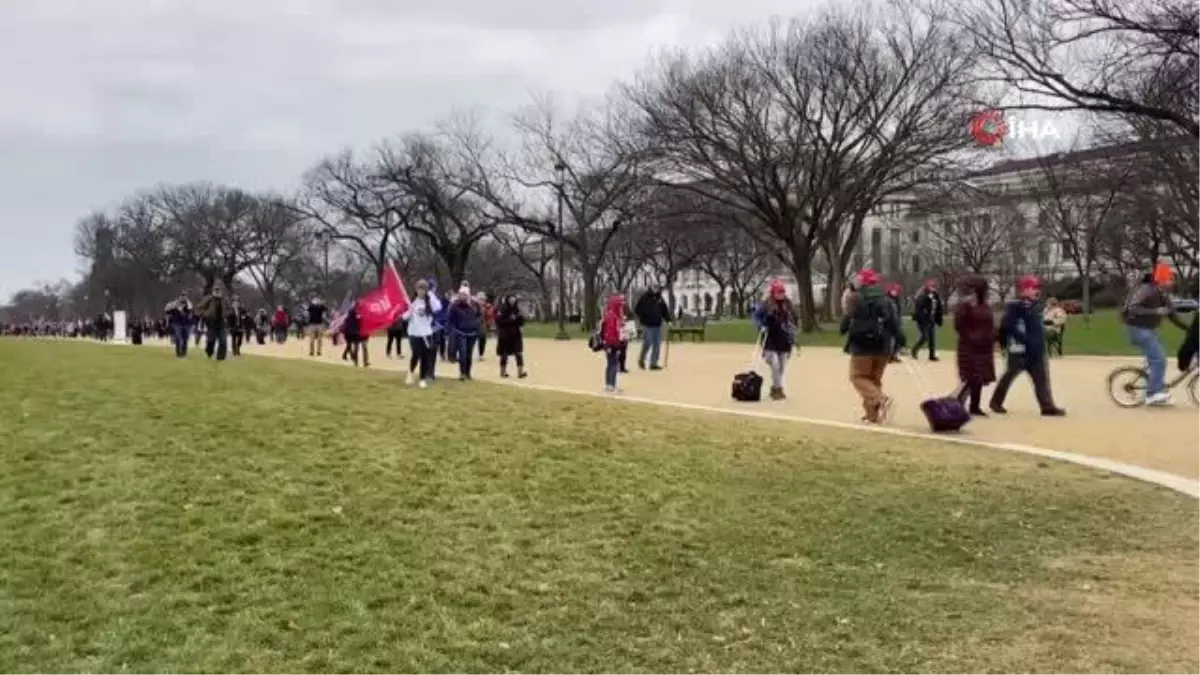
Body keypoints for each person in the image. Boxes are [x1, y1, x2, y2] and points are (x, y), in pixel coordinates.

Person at [990, 276, 1066, 416]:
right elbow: (1008, 326)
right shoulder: (1015, 306)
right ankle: (995, 402)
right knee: (1009, 375)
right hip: (1020, 350)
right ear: (1025, 290)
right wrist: (1025, 340)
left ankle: (1047, 406)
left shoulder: (1035, 306)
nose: (1037, 291)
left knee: (1041, 379)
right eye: (1033, 288)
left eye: (1037, 288)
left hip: (1036, 350)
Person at [840, 269, 902, 423]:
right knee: (874, 380)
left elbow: (846, 319)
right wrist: (899, 342)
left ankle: (880, 399)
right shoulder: (887, 299)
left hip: (862, 345)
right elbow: (894, 323)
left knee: (858, 376)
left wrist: (844, 327)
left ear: (863, 282)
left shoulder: (855, 298)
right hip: (883, 346)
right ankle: (873, 415)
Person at [1122, 263, 1189, 405]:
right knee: (1159, 360)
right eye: (1170, 279)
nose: (1172, 282)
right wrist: (1155, 311)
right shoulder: (1147, 290)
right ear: (1161, 280)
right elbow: (1132, 308)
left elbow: (1172, 315)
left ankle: (1157, 389)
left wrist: (1189, 329)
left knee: (1157, 359)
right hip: (1137, 329)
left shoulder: (1163, 294)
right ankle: (1152, 394)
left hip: (1148, 330)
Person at [953, 275, 996, 416]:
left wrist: (994, 336)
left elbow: (989, 324)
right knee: (971, 378)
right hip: (969, 347)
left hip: (985, 347)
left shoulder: (985, 305)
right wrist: (972, 337)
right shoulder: (965, 306)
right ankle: (956, 406)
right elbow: (959, 326)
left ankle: (974, 407)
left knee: (980, 378)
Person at [758, 279, 798, 400]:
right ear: (773, 292)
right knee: (774, 365)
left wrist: (793, 329)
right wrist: (761, 326)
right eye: (778, 292)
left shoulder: (788, 304)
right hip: (770, 340)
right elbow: (757, 317)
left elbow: (795, 319)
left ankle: (775, 387)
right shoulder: (766, 305)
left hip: (784, 340)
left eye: (782, 291)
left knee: (781, 368)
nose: (781, 294)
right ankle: (778, 390)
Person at [402, 280, 442, 388]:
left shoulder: (430, 302)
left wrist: (431, 296)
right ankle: (410, 372)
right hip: (414, 333)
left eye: (423, 289)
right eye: (419, 288)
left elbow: (438, 308)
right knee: (416, 354)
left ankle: (422, 378)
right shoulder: (412, 302)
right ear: (416, 290)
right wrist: (410, 312)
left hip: (426, 332)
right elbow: (404, 317)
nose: (421, 291)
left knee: (425, 356)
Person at [447, 286, 483, 381]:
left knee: (469, 354)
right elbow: (450, 319)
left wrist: (477, 326)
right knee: (462, 353)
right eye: (461, 294)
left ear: (468, 295)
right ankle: (462, 373)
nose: (463, 296)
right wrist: (451, 330)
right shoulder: (455, 305)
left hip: (472, 333)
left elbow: (480, 316)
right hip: (460, 332)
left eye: (465, 294)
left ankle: (468, 373)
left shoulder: (475, 304)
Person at [634, 286, 671, 370]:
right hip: (648, 325)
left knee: (657, 344)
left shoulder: (659, 298)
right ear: (651, 288)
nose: (656, 289)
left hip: (657, 324)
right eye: (654, 287)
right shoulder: (645, 297)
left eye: (657, 287)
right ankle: (641, 359)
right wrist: (643, 318)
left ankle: (653, 363)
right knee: (648, 343)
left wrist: (668, 319)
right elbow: (637, 309)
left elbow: (664, 309)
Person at [495, 295, 528, 378]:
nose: (512, 300)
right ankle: (502, 372)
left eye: (514, 299)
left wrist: (521, 318)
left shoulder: (517, 310)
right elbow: (499, 321)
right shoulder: (502, 309)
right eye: (511, 299)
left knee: (519, 352)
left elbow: (521, 323)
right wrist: (511, 320)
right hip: (505, 334)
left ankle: (520, 372)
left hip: (516, 334)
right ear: (508, 300)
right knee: (504, 354)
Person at [911, 279, 944, 361]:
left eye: (934, 286)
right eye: (931, 286)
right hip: (923, 320)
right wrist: (927, 298)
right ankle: (914, 350)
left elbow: (939, 307)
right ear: (927, 287)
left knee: (932, 338)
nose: (933, 288)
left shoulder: (935, 295)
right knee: (925, 337)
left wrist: (939, 319)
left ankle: (931, 355)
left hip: (931, 319)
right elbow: (919, 306)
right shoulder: (922, 295)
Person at [601, 294, 627, 393]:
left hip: (609, 343)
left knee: (610, 364)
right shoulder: (613, 316)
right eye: (620, 305)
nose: (621, 308)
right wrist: (617, 344)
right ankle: (612, 385)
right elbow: (612, 332)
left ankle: (608, 385)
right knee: (613, 364)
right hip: (612, 344)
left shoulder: (609, 314)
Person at [195, 285, 228, 361]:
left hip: (222, 323)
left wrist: (227, 314)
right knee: (210, 341)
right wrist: (205, 314)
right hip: (211, 323)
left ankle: (220, 358)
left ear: (221, 292)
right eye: (216, 290)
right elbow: (198, 308)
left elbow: (229, 309)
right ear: (213, 291)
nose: (217, 292)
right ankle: (209, 353)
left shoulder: (224, 300)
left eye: (219, 290)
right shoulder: (208, 299)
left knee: (223, 341)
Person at [166, 293, 192, 357]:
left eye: (184, 296)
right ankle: (178, 353)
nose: (183, 298)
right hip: (177, 323)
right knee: (178, 337)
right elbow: (168, 312)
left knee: (185, 338)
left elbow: (190, 313)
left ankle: (184, 353)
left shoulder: (188, 304)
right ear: (180, 297)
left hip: (186, 323)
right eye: (182, 296)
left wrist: (188, 316)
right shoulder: (175, 304)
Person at [885, 283, 904, 362]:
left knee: (898, 338)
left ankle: (894, 355)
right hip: (889, 322)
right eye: (894, 291)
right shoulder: (886, 299)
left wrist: (899, 320)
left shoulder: (896, 299)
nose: (896, 292)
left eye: (897, 291)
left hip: (896, 321)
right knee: (889, 340)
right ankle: (888, 356)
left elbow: (898, 311)